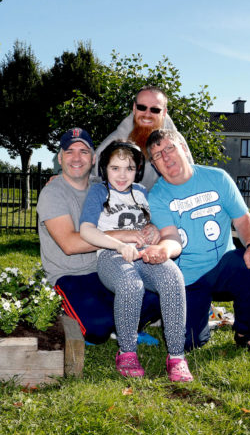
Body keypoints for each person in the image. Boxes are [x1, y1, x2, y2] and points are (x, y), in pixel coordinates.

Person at [143, 129, 250, 357]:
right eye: (157, 155)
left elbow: (243, 220)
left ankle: (247, 333)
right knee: (188, 343)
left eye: (169, 148)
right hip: (187, 277)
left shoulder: (218, 178)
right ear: (155, 165)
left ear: (183, 149)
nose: (165, 157)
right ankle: (203, 314)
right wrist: (161, 250)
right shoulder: (157, 196)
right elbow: (171, 237)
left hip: (223, 265)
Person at [36, 128, 163, 349]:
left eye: (84, 152)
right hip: (70, 275)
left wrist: (150, 226)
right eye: (70, 151)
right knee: (98, 327)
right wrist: (123, 236)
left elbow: (137, 202)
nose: (77, 158)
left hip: (106, 267)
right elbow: (70, 244)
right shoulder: (52, 193)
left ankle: (127, 326)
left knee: (156, 297)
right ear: (60, 158)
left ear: (94, 158)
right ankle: (118, 325)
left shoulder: (103, 186)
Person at [79, 140, 192, 381]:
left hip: (143, 253)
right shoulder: (99, 192)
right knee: (132, 285)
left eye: (129, 168)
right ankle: (127, 351)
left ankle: (176, 356)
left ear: (137, 170)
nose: (122, 175)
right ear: (104, 169)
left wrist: (153, 230)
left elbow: (152, 224)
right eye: (115, 168)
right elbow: (87, 231)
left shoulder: (140, 192)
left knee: (173, 278)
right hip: (111, 255)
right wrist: (119, 245)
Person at [93, 85, 191, 190]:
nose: (147, 114)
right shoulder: (112, 144)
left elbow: (190, 178)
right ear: (134, 108)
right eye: (142, 107)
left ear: (164, 113)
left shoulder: (177, 142)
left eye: (155, 110)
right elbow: (94, 181)